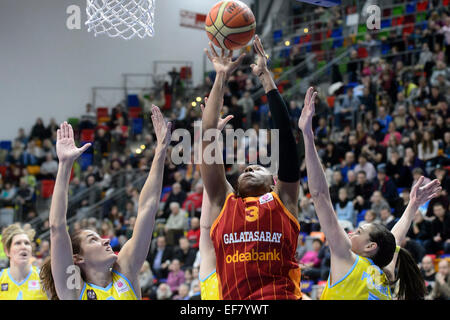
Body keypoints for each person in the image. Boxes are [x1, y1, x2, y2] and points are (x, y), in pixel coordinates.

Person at [299, 86, 442, 300]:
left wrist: (308, 137)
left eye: (358, 231)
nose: (350, 233)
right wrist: (411, 206)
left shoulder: (347, 258)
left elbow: (320, 196)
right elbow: (394, 237)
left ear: (370, 246)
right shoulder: (384, 273)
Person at [201, 36, 302, 300]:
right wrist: (221, 77)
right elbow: (207, 133)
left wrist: (265, 77)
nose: (248, 168)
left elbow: (287, 143)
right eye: (245, 169)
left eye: (257, 167)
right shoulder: (223, 203)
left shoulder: (283, 200)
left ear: (274, 182)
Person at [40, 106, 171, 300]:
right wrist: (65, 166)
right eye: (94, 240)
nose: (106, 240)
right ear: (78, 258)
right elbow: (57, 227)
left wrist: (161, 150)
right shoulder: (74, 289)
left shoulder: (126, 270)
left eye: (99, 237)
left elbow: (148, 208)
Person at [0, 224, 47, 300]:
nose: (24, 247)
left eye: (27, 243)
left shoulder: (43, 279)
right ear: (7, 251)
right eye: (18, 243)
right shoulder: (1, 279)